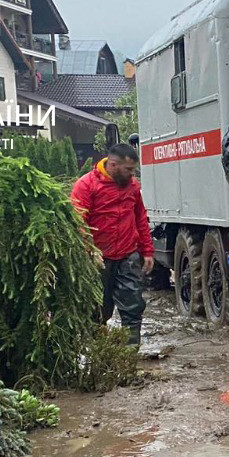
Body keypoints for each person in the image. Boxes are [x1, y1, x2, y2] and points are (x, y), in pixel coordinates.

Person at [71, 142, 153, 345]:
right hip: (98, 257)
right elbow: (78, 221)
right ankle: (98, 350)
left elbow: (140, 218)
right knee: (98, 308)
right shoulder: (86, 185)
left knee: (133, 304)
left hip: (127, 254)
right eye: (128, 169)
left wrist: (147, 251)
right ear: (113, 165)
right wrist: (90, 250)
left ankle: (130, 353)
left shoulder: (132, 186)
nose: (132, 174)